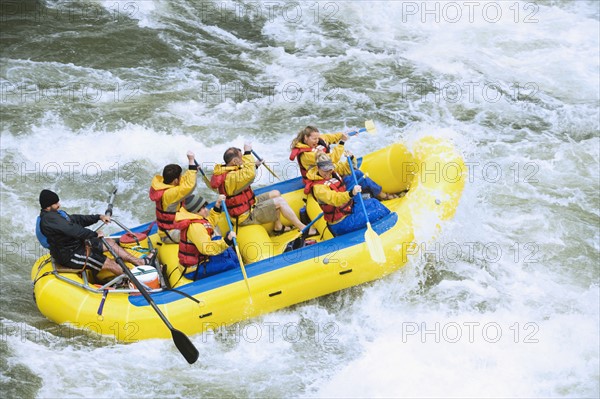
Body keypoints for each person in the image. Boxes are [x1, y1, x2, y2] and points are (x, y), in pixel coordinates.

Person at [211, 142, 317, 236]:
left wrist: (255, 166)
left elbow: (243, 179)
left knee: (276, 193)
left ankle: (278, 227)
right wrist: (248, 153)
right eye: (241, 157)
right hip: (245, 216)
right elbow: (249, 175)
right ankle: (304, 228)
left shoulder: (229, 170)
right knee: (279, 201)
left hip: (250, 204)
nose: (243, 158)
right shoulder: (230, 177)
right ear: (234, 161)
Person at [37, 189, 151, 276]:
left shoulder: (57, 215)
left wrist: (98, 217)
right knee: (109, 263)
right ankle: (138, 279)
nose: (59, 205)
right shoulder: (49, 219)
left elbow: (77, 220)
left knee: (110, 242)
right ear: (47, 207)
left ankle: (139, 262)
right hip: (70, 254)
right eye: (56, 203)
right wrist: (94, 234)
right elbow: (73, 230)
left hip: (79, 245)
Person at [290, 125, 398, 200]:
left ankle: (372, 193)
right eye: (314, 139)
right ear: (305, 138)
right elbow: (330, 160)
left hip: (329, 171)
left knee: (353, 170)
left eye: (318, 138)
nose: (317, 141)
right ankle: (382, 195)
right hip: (320, 178)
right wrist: (341, 143)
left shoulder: (318, 139)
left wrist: (347, 134)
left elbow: (333, 137)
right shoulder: (306, 155)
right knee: (357, 174)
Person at [304, 153, 391, 237]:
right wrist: (351, 193)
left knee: (374, 202)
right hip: (341, 223)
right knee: (378, 212)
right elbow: (335, 199)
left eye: (329, 169)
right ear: (318, 168)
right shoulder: (318, 188)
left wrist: (351, 157)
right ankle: (390, 231)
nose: (328, 173)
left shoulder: (332, 171)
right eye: (325, 171)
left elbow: (347, 168)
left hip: (349, 210)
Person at [174, 194, 238, 280]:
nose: (206, 210)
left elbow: (209, 224)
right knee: (230, 264)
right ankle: (237, 273)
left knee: (218, 239)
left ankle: (236, 262)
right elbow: (206, 248)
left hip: (202, 257)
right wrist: (227, 241)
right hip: (193, 269)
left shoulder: (195, 218)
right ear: (195, 212)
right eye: (203, 208)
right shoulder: (195, 227)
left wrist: (217, 205)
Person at [149, 151, 198, 243]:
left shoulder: (162, 184)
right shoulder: (170, 194)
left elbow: (182, 181)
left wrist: (193, 170)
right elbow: (189, 186)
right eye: (180, 176)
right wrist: (191, 161)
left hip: (168, 229)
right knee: (202, 229)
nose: (181, 177)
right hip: (171, 234)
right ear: (175, 180)